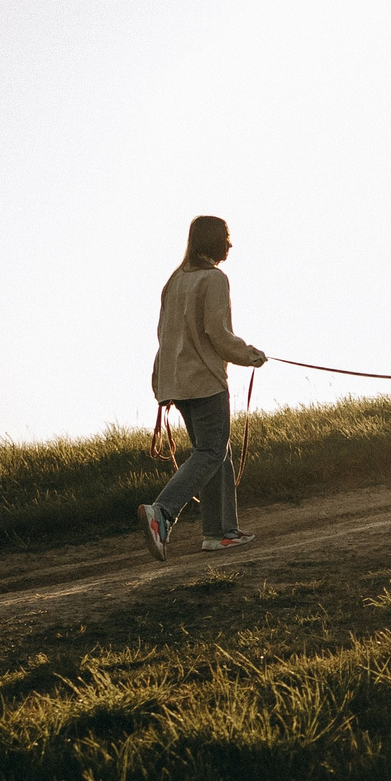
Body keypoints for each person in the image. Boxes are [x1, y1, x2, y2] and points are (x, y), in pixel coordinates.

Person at [139, 214, 267, 560]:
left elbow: (163, 336)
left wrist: (161, 383)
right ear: (212, 241)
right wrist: (250, 355)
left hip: (176, 383)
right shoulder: (214, 279)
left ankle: (219, 532)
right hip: (205, 381)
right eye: (226, 236)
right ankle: (163, 512)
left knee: (215, 452)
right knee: (211, 452)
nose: (230, 243)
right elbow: (218, 334)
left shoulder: (174, 280)